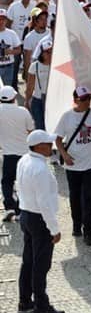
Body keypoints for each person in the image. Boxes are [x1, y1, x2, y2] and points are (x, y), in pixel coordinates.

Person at [54, 87, 91, 245]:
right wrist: (64, 155)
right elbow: (58, 139)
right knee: (74, 197)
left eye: (89, 98)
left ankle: (88, 231)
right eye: (84, 99)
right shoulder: (67, 116)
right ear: (76, 100)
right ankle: (76, 225)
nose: (87, 102)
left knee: (89, 198)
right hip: (73, 165)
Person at [16, 130, 64, 313]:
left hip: (26, 214)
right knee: (41, 265)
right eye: (48, 144)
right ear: (38, 146)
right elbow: (44, 202)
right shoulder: (41, 169)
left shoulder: (24, 160)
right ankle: (41, 306)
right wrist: (55, 229)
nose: (51, 147)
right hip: (39, 219)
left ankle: (25, 301)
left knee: (28, 261)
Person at [0, 85, 35, 222]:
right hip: (24, 153)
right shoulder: (23, 111)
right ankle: (21, 209)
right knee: (23, 182)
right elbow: (31, 130)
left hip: (8, 153)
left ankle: (9, 207)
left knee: (7, 181)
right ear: (14, 98)